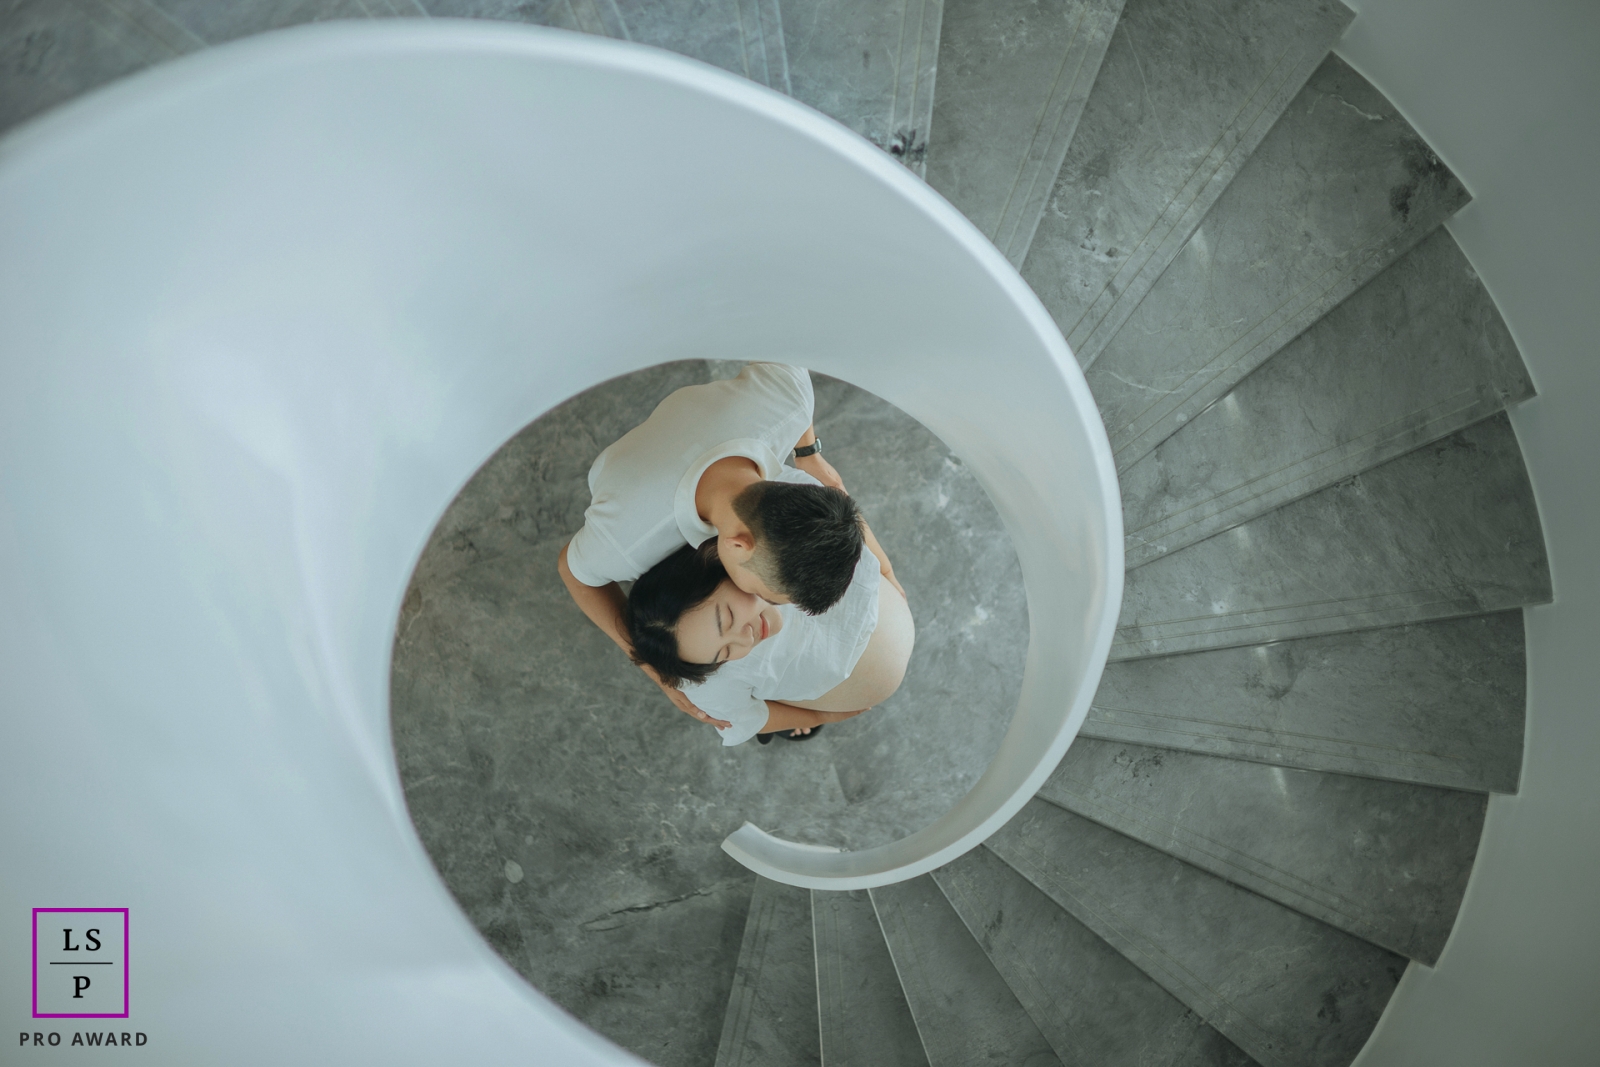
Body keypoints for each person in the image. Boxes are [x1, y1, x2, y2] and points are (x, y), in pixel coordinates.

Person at [557, 363, 902, 727]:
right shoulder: (624, 541)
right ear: (737, 546)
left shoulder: (788, 397)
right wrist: (659, 671)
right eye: (769, 597)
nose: (760, 620)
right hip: (626, 481)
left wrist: (809, 453)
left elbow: (781, 348)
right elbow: (572, 570)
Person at [624, 530, 913, 745]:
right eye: (725, 653)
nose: (745, 638)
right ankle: (790, 721)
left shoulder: (761, 533)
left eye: (727, 618)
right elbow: (747, 718)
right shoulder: (705, 683)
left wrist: (885, 569)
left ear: (718, 561)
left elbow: (841, 512)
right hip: (810, 683)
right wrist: (820, 717)